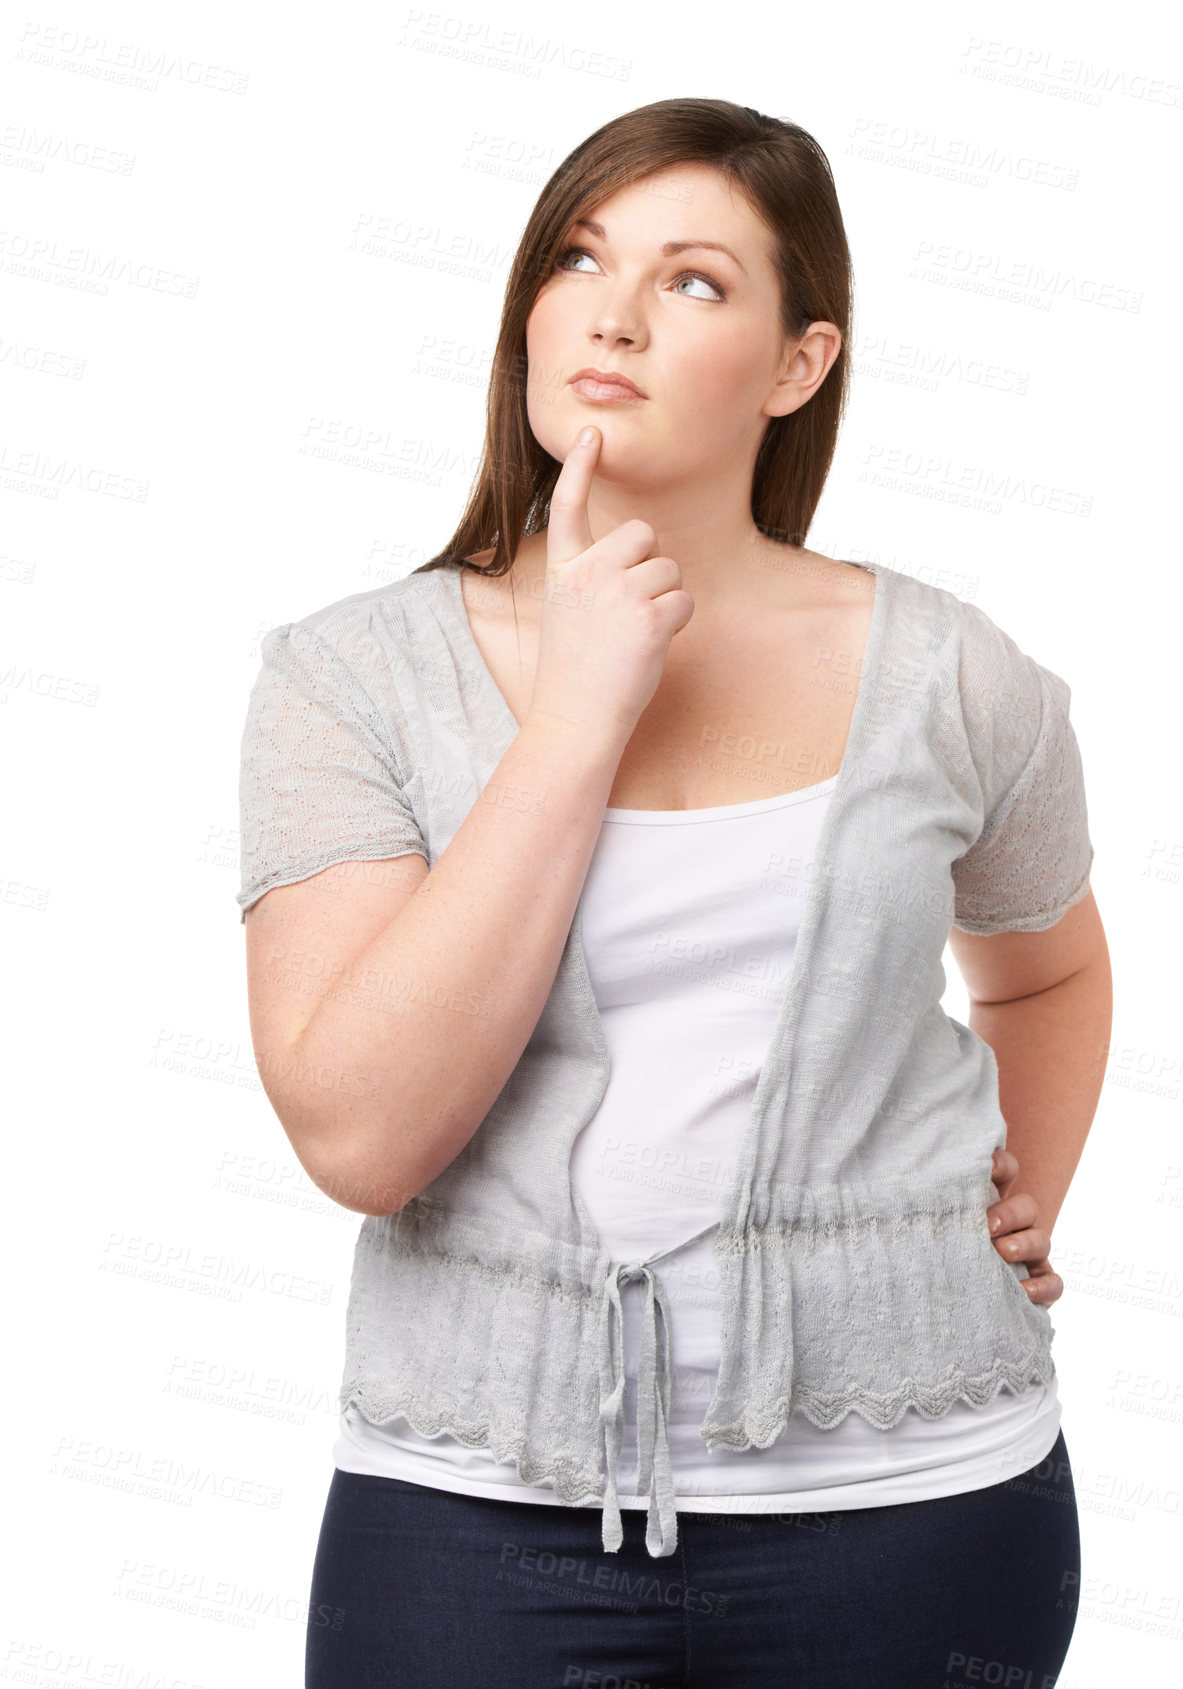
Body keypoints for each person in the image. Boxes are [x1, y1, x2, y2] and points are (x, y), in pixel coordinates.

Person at [237, 100, 1110, 1687]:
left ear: (798, 364)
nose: (615, 312)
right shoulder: (350, 677)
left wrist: (1013, 1201)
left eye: (695, 280)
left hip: (920, 1508)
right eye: (580, 256)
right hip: (473, 1514)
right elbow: (361, 1134)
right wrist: (576, 715)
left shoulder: (956, 676)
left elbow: (1046, 969)